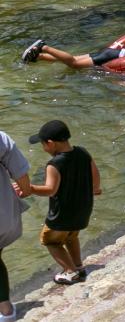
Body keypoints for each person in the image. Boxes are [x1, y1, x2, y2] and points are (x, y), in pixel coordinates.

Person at [20, 120, 98, 287]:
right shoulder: (83, 153)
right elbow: (95, 174)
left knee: (50, 240)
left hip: (62, 214)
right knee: (71, 236)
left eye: (43, 145)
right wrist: (95, 189)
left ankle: (71, 272)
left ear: (50, 143)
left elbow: (50, 190)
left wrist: (30, 188)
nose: (44, 149)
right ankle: (79, 266)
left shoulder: (54, 164)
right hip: (83, 210)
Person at [0, 129, 29, 320]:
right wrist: (25, 190)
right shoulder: (1, 138)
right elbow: (21, 175)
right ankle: (5, 309)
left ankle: (6, 309)